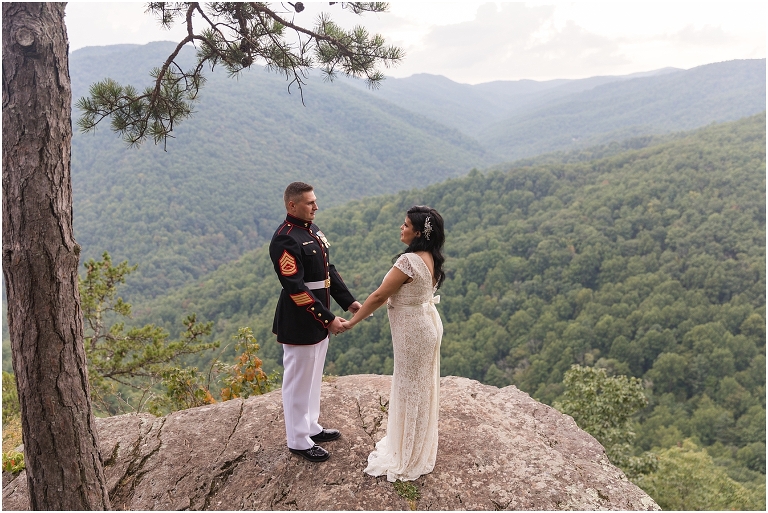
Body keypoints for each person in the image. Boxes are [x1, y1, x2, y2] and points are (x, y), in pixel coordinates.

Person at [341, 205, 445, 482]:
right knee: (420, 387)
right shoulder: (429, 256)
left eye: (406, 225)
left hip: (413, 331)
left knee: (410, 387)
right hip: (426, 325)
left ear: (419, 232)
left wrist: (351, 322)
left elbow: (377, 296)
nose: (401, 228)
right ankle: (415, 444)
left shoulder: (409, 261)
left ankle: (407, 452)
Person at [269, 181, 361, 463]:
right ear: (292, 205)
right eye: (310, 203)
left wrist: (348, 301)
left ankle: (310, 426)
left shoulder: (312, 231)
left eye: (315, 201)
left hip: (319, 316)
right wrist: (329, 318)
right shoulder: (286, 239)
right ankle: (297, 439)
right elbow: (296, 288)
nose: (316, 207)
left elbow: (327, 272)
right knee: (298, 381)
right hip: (300, 320)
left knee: (312, 377)